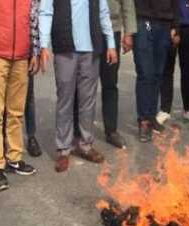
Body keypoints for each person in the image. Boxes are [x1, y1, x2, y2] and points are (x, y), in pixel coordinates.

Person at [39, 0, 118, 172]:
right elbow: (45, 12)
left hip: (90, 50)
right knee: (65, 100)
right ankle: (63, 149)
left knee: (87, 101)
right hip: (65, 49)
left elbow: (103, 13)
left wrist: (111, 44)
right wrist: (43, 45)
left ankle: (86, 145)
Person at [0, 0, 40, 191]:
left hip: (21, 55)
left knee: (16, 111)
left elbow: (32, 19)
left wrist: (34, 52)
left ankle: (14, 158)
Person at [133, 0, 179, 142]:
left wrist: (175, 25)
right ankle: (144, 121)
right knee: (145, 73)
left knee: (158, 74)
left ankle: (151, 116)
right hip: (143, 20)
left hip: (165, 23)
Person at [158, 0, 189, 126]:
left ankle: (188, 109)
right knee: (167, 70)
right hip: (168, 25)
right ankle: (165, 109)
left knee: (187, 70)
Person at [100, 0, 137, 149]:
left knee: (109, 83)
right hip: (86, 30)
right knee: (82, 85)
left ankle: (111, 130)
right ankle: (79, 133)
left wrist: (128, 33)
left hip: (112, 29)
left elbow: (127, 3)